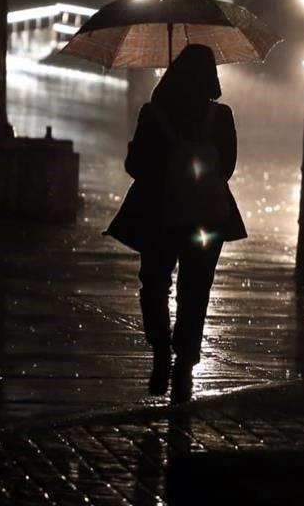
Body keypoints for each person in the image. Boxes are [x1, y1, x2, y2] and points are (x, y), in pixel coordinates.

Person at [105, 44, 246, 401]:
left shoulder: (153, 113)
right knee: (195, 291)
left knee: (154, 284)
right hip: (207, 216)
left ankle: (160, 349)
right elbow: (226, 169)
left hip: (159, 215)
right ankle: (185, 362)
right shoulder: (222, 116)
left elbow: (136, 167)